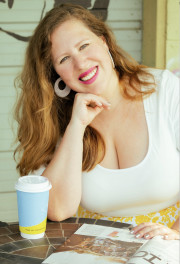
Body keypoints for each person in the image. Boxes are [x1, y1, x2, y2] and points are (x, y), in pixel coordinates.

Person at [14, 3, 179, 240]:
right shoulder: (55, 119)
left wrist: (175, 235)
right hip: (94, 250)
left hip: (168, 246)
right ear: (54, 74)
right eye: (64, 59)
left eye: (84, 46)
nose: (80, 63)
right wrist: (76, 127)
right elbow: (58, 210)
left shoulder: (165, 89)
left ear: (104, 42)